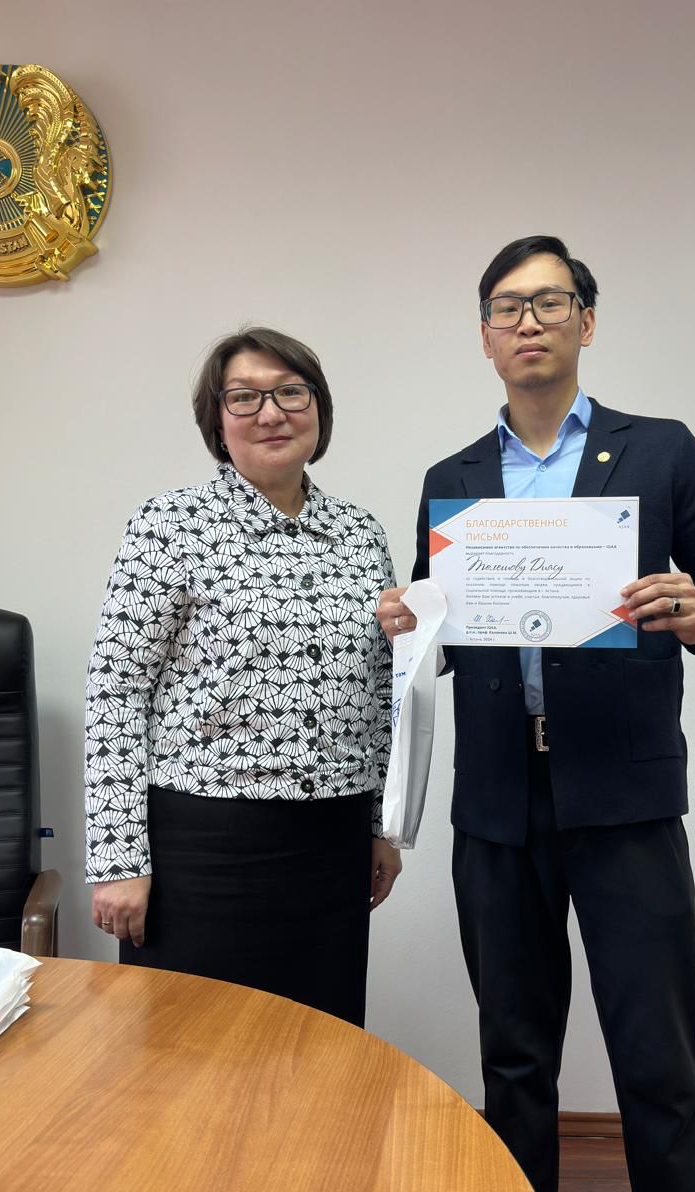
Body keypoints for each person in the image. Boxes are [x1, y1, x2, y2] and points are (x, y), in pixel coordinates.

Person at [378, 237, 695, 1192]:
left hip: (626, 800)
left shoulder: (661, 451)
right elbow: (447, 634)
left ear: (586, 322)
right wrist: (410, 620)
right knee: (514, 1064)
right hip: (498, 803)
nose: (529, 322)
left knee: (659, 1064)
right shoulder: (453, 477)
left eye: (550, 302)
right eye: (507, 307)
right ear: (484, 337)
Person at [86, 326, 400, 1026]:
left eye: (291, 392)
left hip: (331, 846)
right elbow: (116, 691)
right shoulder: (170, 524)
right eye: (245, 397)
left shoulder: (361, 534)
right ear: (217, 419)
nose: (271, 413)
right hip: (203, 850)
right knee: (190, 1055)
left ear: (318, 409)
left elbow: (381, 694)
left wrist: (382, 826)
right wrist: (117, 862)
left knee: (318, 1048)